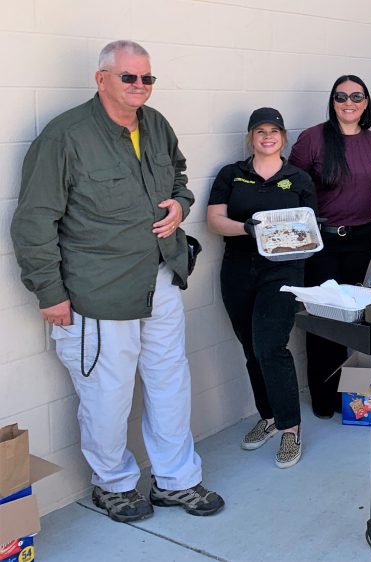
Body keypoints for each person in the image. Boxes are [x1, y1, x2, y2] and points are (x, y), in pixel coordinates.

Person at [11, 40, 224, 522]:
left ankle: (176, 480)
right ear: (101, 78)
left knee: (171, 383)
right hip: (97, 293)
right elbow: (33, 222)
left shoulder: (157, 125)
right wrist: (50, 293)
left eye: (147, 78)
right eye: (129, 76)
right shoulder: (64, 136)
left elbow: (179, 175)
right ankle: (112, 484)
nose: (139, 86)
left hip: (162, 280)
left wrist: (180, 204)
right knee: (106, 397)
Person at [207, 108, 316, 469]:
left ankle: (290, 429)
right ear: (251, 137)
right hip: (239, 268)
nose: (267, 137)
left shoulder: (298, 177)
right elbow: (215, 219)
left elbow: (309, 225)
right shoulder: (231, 175)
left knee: (270, 346)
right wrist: (249, 229)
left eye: (274, 131)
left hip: (283, 271)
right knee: (251, 347)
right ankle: (267, 417)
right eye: (260, 131)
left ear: (283, 137)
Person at [288, 75, 371, 419]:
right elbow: (290, 186)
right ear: (333, 101)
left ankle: (343, 395)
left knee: (347, 318)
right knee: (323, 315)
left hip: (360, 239)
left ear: (366, 103)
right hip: (320, 241)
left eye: (356, 96)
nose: (348, 102)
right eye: (341, 96)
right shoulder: (312, 139)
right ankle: (322, 399)